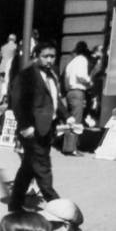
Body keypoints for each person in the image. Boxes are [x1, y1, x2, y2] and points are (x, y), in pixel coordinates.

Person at [9, 40, 73, 212]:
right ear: (36, 56)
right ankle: (59, 207)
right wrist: (25, 126)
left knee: (28, 168)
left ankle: (15, 204)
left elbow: (54, 99)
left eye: (52, 56)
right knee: (43, 168)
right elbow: (17, 102)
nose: (50, 60)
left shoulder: (51, 74)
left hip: (46, 128)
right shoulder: (27, 75)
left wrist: (67, 116)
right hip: (32, 130)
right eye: (45, 56)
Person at [63, 41, 92, 156]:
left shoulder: (71, 62)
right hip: (78, 91)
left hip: (69, 91)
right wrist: (89, 82)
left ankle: (68, 146)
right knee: (76, 120)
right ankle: (72, 149)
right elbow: (81, 75)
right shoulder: (82, 60)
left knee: (70, 119)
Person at [0, 34, 17, 105]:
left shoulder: (3, 47)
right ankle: (4, 97)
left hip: (2, 66)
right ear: (14, 40)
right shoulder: (15, 47)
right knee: (9, 82)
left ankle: (3, 97)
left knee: (3, 82)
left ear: (8, 39)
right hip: (10, 66)